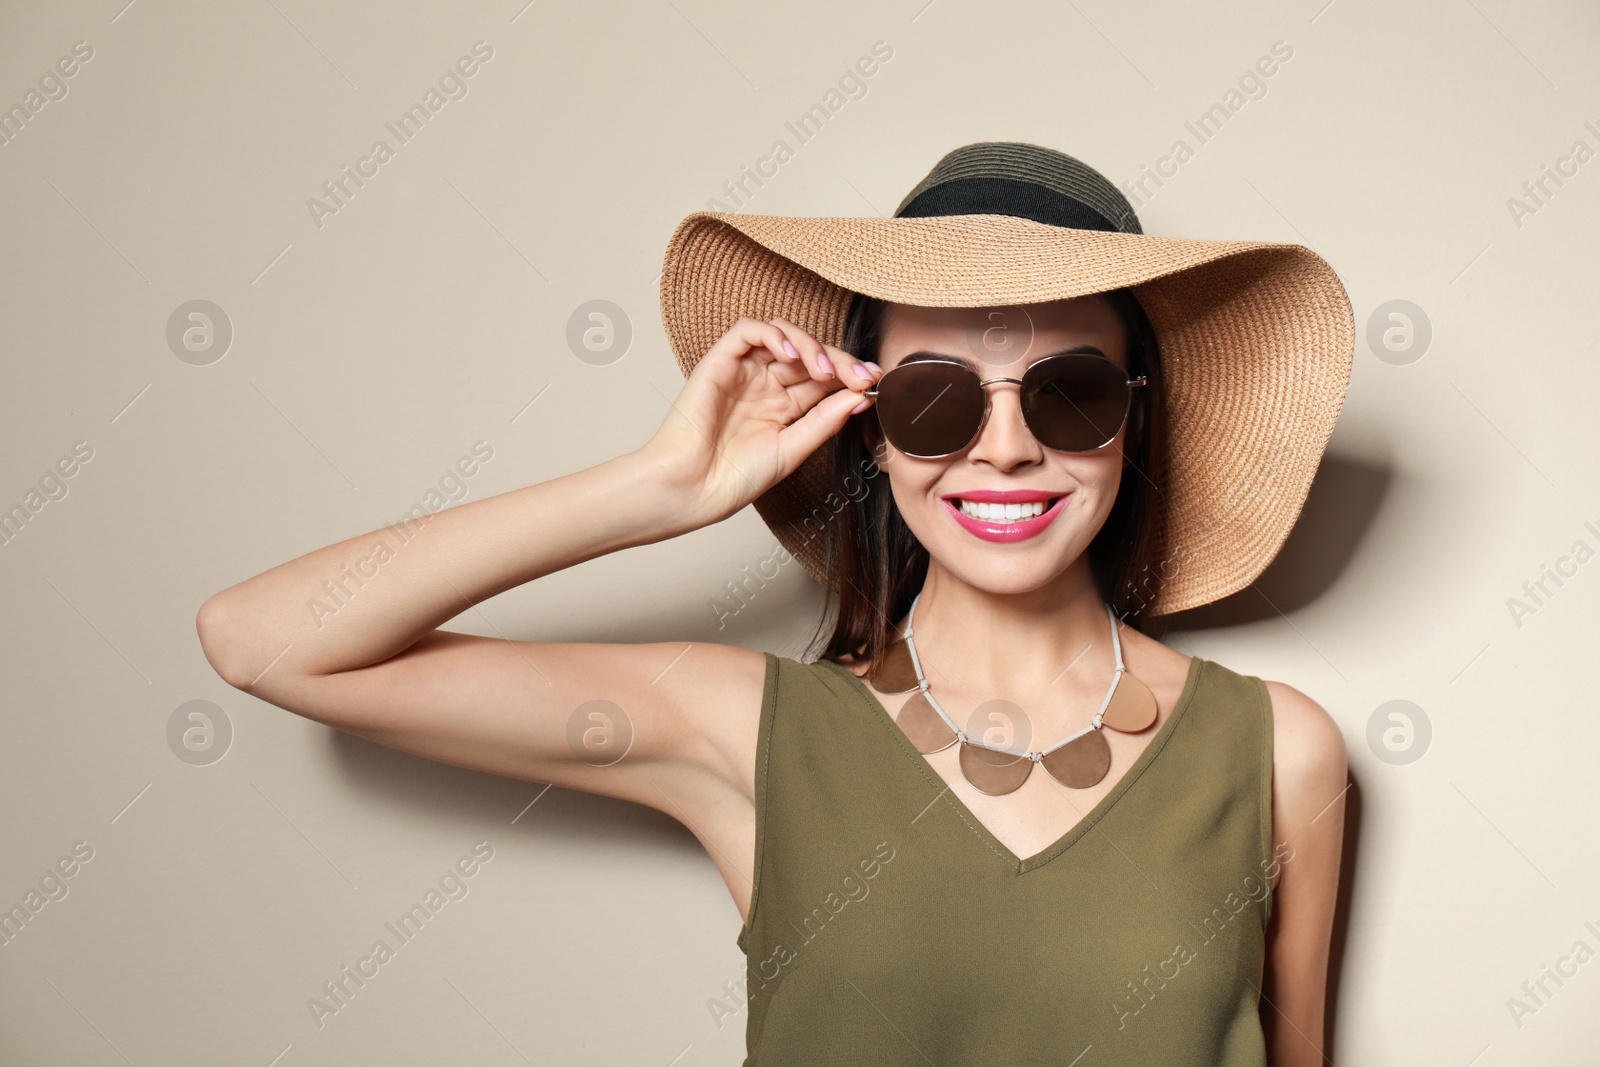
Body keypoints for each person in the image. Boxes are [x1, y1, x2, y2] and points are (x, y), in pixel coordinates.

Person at [196, 142, 1351, 1066]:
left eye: (1072, 392)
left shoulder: (1276, 748)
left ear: (1134, 420)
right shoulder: (748, 730)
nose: (1004, 448)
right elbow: (263, 641)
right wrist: (659, 488)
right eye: (934, 398)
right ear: (873, 428)